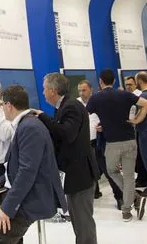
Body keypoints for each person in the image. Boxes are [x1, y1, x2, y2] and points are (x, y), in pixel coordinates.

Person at [0, 85, 65, 244]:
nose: (2, 109)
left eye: (2, 105)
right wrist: (0, 181)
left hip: (29, 198)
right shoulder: (26, 124)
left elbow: (27, 171)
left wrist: (7, 208)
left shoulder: (29, 127)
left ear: (9, 105)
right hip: (25, 194)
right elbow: (20, 162)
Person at [35, 74, 99, 244]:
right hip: (73, 174)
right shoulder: (64, 106)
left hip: (80, 174)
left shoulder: (70, 106)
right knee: (78, 220)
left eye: (45, 89)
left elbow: (66, 134)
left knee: (83, 222)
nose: (43, 93)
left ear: (53, 90)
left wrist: (43, 117)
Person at [86, 69, 147, 222]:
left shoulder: (96, 98)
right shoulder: (125, 94)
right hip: (129, 139)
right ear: (114, 81)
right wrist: (137, 120)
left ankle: (129, 205)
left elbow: (84, 114)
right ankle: (130, 204)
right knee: (129, 176)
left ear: (101, 82)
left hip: (112, 142)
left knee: (111, 171)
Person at [77, 80, 107, 200]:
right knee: (91, 167)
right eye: (79, 90)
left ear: (91, 90)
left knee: (103, 167)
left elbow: (106, 117)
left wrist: (103, 126)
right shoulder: (76, 104)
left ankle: (118, 194)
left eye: (84, 90)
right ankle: (95, 191)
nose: (81, 93)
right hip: (85, 140)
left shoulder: (98, 102)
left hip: (99, 139)